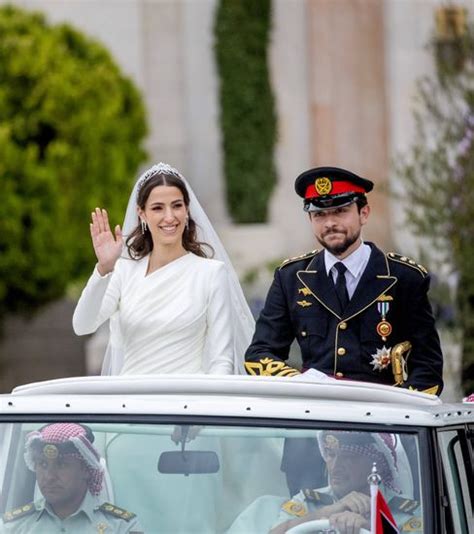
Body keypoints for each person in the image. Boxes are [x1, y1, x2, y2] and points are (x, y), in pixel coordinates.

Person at [245, 166, 443, 394]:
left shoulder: (404, 277)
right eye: (319, 214)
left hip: (380, 409)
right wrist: (301, 383)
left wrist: (397, 408)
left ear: (364, 214)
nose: (329, 223)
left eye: (340, 211)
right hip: (314, 406)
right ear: (310, 219)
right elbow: (260, 353)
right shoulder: (291, 277)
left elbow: (428, 368)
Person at [73, 162, 254, 375]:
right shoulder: (123, 271)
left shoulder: (212, 273)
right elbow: (82, 325)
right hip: (129, 394)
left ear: (187, 210)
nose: (169, 217)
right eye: (158, 208)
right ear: (142, 214)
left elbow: (221, 360)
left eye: (176, 206)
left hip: (187, 395)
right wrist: (104, 268)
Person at [269, 431, 421, 534]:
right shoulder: (307, 501)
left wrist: (369, 528)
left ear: (378, 465)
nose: (336, 466)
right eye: (331, 455)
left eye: (349, 457)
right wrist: (326, 512)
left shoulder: (405, 513)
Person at [0, 423, 142, 533]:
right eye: (43, 464)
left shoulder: (121, 527)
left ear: (85, 469)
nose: (49, 476)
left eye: (61, 465)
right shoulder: (12, 527)